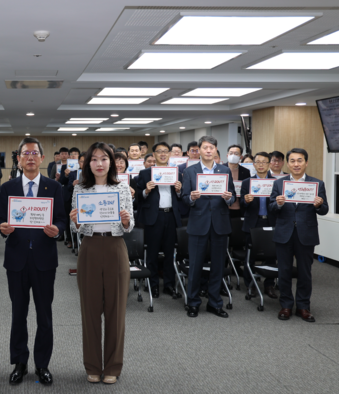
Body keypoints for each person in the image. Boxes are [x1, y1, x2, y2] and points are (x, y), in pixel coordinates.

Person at [0, 137, 65, 386]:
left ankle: (42, 364)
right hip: (16, 259)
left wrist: (57, 229)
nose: (30, 157)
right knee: (18, 314)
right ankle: (20, 362)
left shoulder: (54, 187)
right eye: (25, 153)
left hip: (44, 259)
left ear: (42, 158)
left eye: (34, 153)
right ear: (18, 158)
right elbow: (0, 220)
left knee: (44, 315)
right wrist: (3, 228)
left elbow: (61, 220)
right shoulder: (8, 188)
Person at [70, 142, 133, 385]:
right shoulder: (80, 189)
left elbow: (130, 226)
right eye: (94, 159)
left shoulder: (123, 188)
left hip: (116, 247)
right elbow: (77, 229)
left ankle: (113, 366)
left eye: (103, 159)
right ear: (88, 164)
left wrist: (126, 221)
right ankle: (93, 365)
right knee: (90, 310)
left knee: (116, 311)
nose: (99, 163)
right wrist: (74, 221)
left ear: (112, 162)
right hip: (90, 247)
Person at [269, 148, 328, 323]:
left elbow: (325, 210)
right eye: (293, 161)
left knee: (304, 272)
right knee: (284, 271)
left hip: (306, 233)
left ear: (306, 163)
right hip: (284, 233)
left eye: (300, 160)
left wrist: (319, 205)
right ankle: (286, 305)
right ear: (288, 163)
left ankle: (303, 307)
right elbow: (272, 207)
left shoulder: (317, 184)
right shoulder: (279, 183)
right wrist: (278, 204)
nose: (296, 164)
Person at [182, 136, 236, 318]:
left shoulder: (225, 171)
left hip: (220, 224)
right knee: (195, 266)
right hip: (198, 223)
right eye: (204, 148)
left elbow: (233, 197)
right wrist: (192, 198)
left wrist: (229, 198)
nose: (208, 151)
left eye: (211, 148)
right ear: (199, 150)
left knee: (218, 266)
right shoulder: (190, 172)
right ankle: (193, 302)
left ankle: (215, 303)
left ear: (215, 150)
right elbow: (184, 198)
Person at [135, 142, 182, 298]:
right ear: (153, 154)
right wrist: (146, 191)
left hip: (171, 216)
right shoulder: (144, 174)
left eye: (165, 151)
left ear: (169, 154)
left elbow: (182, 198)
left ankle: (168, 285)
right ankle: (153, 284)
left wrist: (179, 190)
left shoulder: (177, 173)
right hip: (153, 217)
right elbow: (138, 199)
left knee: (170, 253)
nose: (163, 154)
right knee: (153, 253)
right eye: (159, 151)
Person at [239, 151, 278, 298]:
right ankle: (251, 285)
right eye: (258, 162)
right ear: (253, 165)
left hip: (271, 221)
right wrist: (246, 201)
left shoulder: (276, 182)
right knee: (251, 256)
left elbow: (278, 206)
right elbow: (242, 206)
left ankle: (269, 285)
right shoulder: (246, 182)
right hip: (253, 222)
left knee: (271, 256)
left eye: (264, 162)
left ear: (269, 164)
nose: (261, 165)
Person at [59, 147, 80, 248]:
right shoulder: (65, 167)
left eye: (75, 154)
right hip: (68, 195)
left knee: (78, 218)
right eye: (71, 154)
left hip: (80, 196)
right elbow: (61, 181)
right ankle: (69, 239)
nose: (73, 156)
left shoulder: (83, 167)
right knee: (68, 218)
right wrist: (66, 175)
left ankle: (77, 240)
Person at [225, 144, 251, 218]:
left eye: (236, 153)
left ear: (241, 157)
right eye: (231, 153)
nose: (233, 155)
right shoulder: (221, 169)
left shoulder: (245, 171)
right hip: (223, 207)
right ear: (227, 155)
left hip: (239, 207)